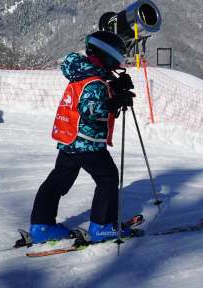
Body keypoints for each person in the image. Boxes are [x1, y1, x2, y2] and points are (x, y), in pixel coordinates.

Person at [28, 31, 137, 244]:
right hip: (87, 143)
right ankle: (102, 226)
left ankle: (42, 225)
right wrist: (115, 103)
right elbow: (91, 109)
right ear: (107, 56)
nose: (118, 64)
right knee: (108, 178)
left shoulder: (82, 73)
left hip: (70, 140)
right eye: (117, 59)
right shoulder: (95, 80)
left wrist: (114, 88)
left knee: (58, 180)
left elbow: (90, 92)